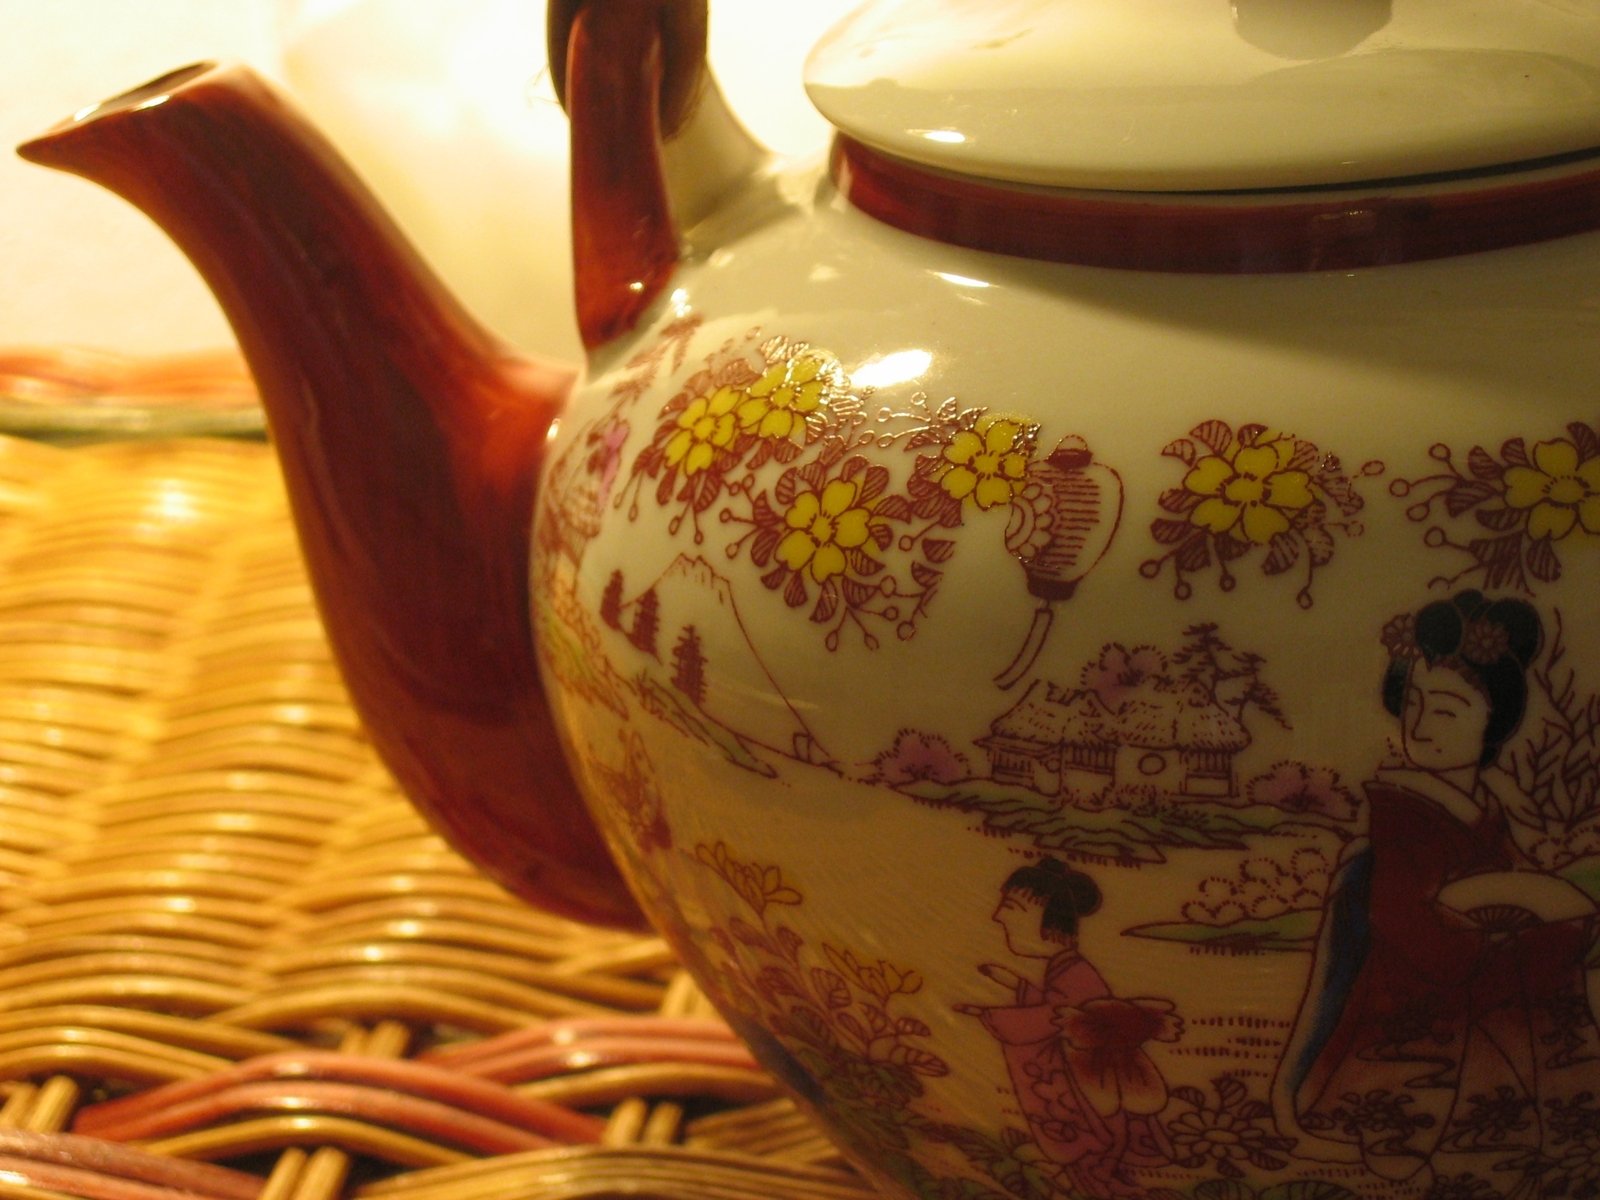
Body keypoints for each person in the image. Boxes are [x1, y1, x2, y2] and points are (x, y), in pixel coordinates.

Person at [1273, 590, 1600, 1191]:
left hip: (1475, 983)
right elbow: (1416, 932)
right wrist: (1529, 926)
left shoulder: (1491, 814)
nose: (1421, 726)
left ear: (1492, 723)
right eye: (1413, 705)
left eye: (1447, 710)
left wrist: (1546, 913)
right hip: (1419, 1002)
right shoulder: (1401, 811)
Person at [957, 858, 1179, 1196]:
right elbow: (1053, 1005)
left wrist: (991, 1016)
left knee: (1092, 1137)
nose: (998, 915)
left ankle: (1103, 1178)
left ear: (1048, 919)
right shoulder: (1065, 968)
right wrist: (1013, 985)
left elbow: (1054, 1015)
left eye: (1012, 906)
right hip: (1089, 1074)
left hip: (1091, 1077)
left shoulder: (1075, 972)